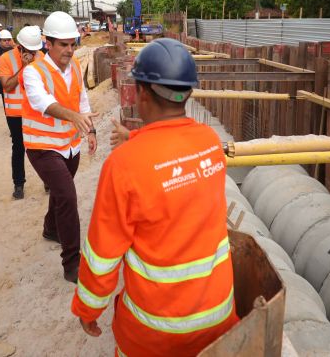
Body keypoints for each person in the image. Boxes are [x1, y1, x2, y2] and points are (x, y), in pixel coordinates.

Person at [71, 38, 238, 356]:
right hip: (219, 319)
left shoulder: (123, 166)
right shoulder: (210, 142)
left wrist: (88, 309)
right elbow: (173, 149)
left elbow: (102, 256)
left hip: (154, 334)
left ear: (141, 93)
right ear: (188, 93)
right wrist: (134, 136)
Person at [22, 11, 97, 282]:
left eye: (72, 44)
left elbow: (82, 96)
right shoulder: (33, 72)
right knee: (67, 196)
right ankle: (72, 263)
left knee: (59, 192)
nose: (69, 49)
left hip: (69, 144)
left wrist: (90, 129)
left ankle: (50, 228)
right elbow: (42, 102)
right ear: (48, 43)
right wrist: (73, 116)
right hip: (42, 146)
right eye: (63, 44)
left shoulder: (75, 64)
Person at [0, 26, 43, 200]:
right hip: (15, 113)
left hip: (36, 111)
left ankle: (46, 180)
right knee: (18, 148)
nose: (33, 52)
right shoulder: (5, 58)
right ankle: (19, 184)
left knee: (41, 146)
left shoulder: (41, 57)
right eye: (29, 49)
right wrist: (25, 67)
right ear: (21, 47)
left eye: (35, 49)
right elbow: (7, 86)